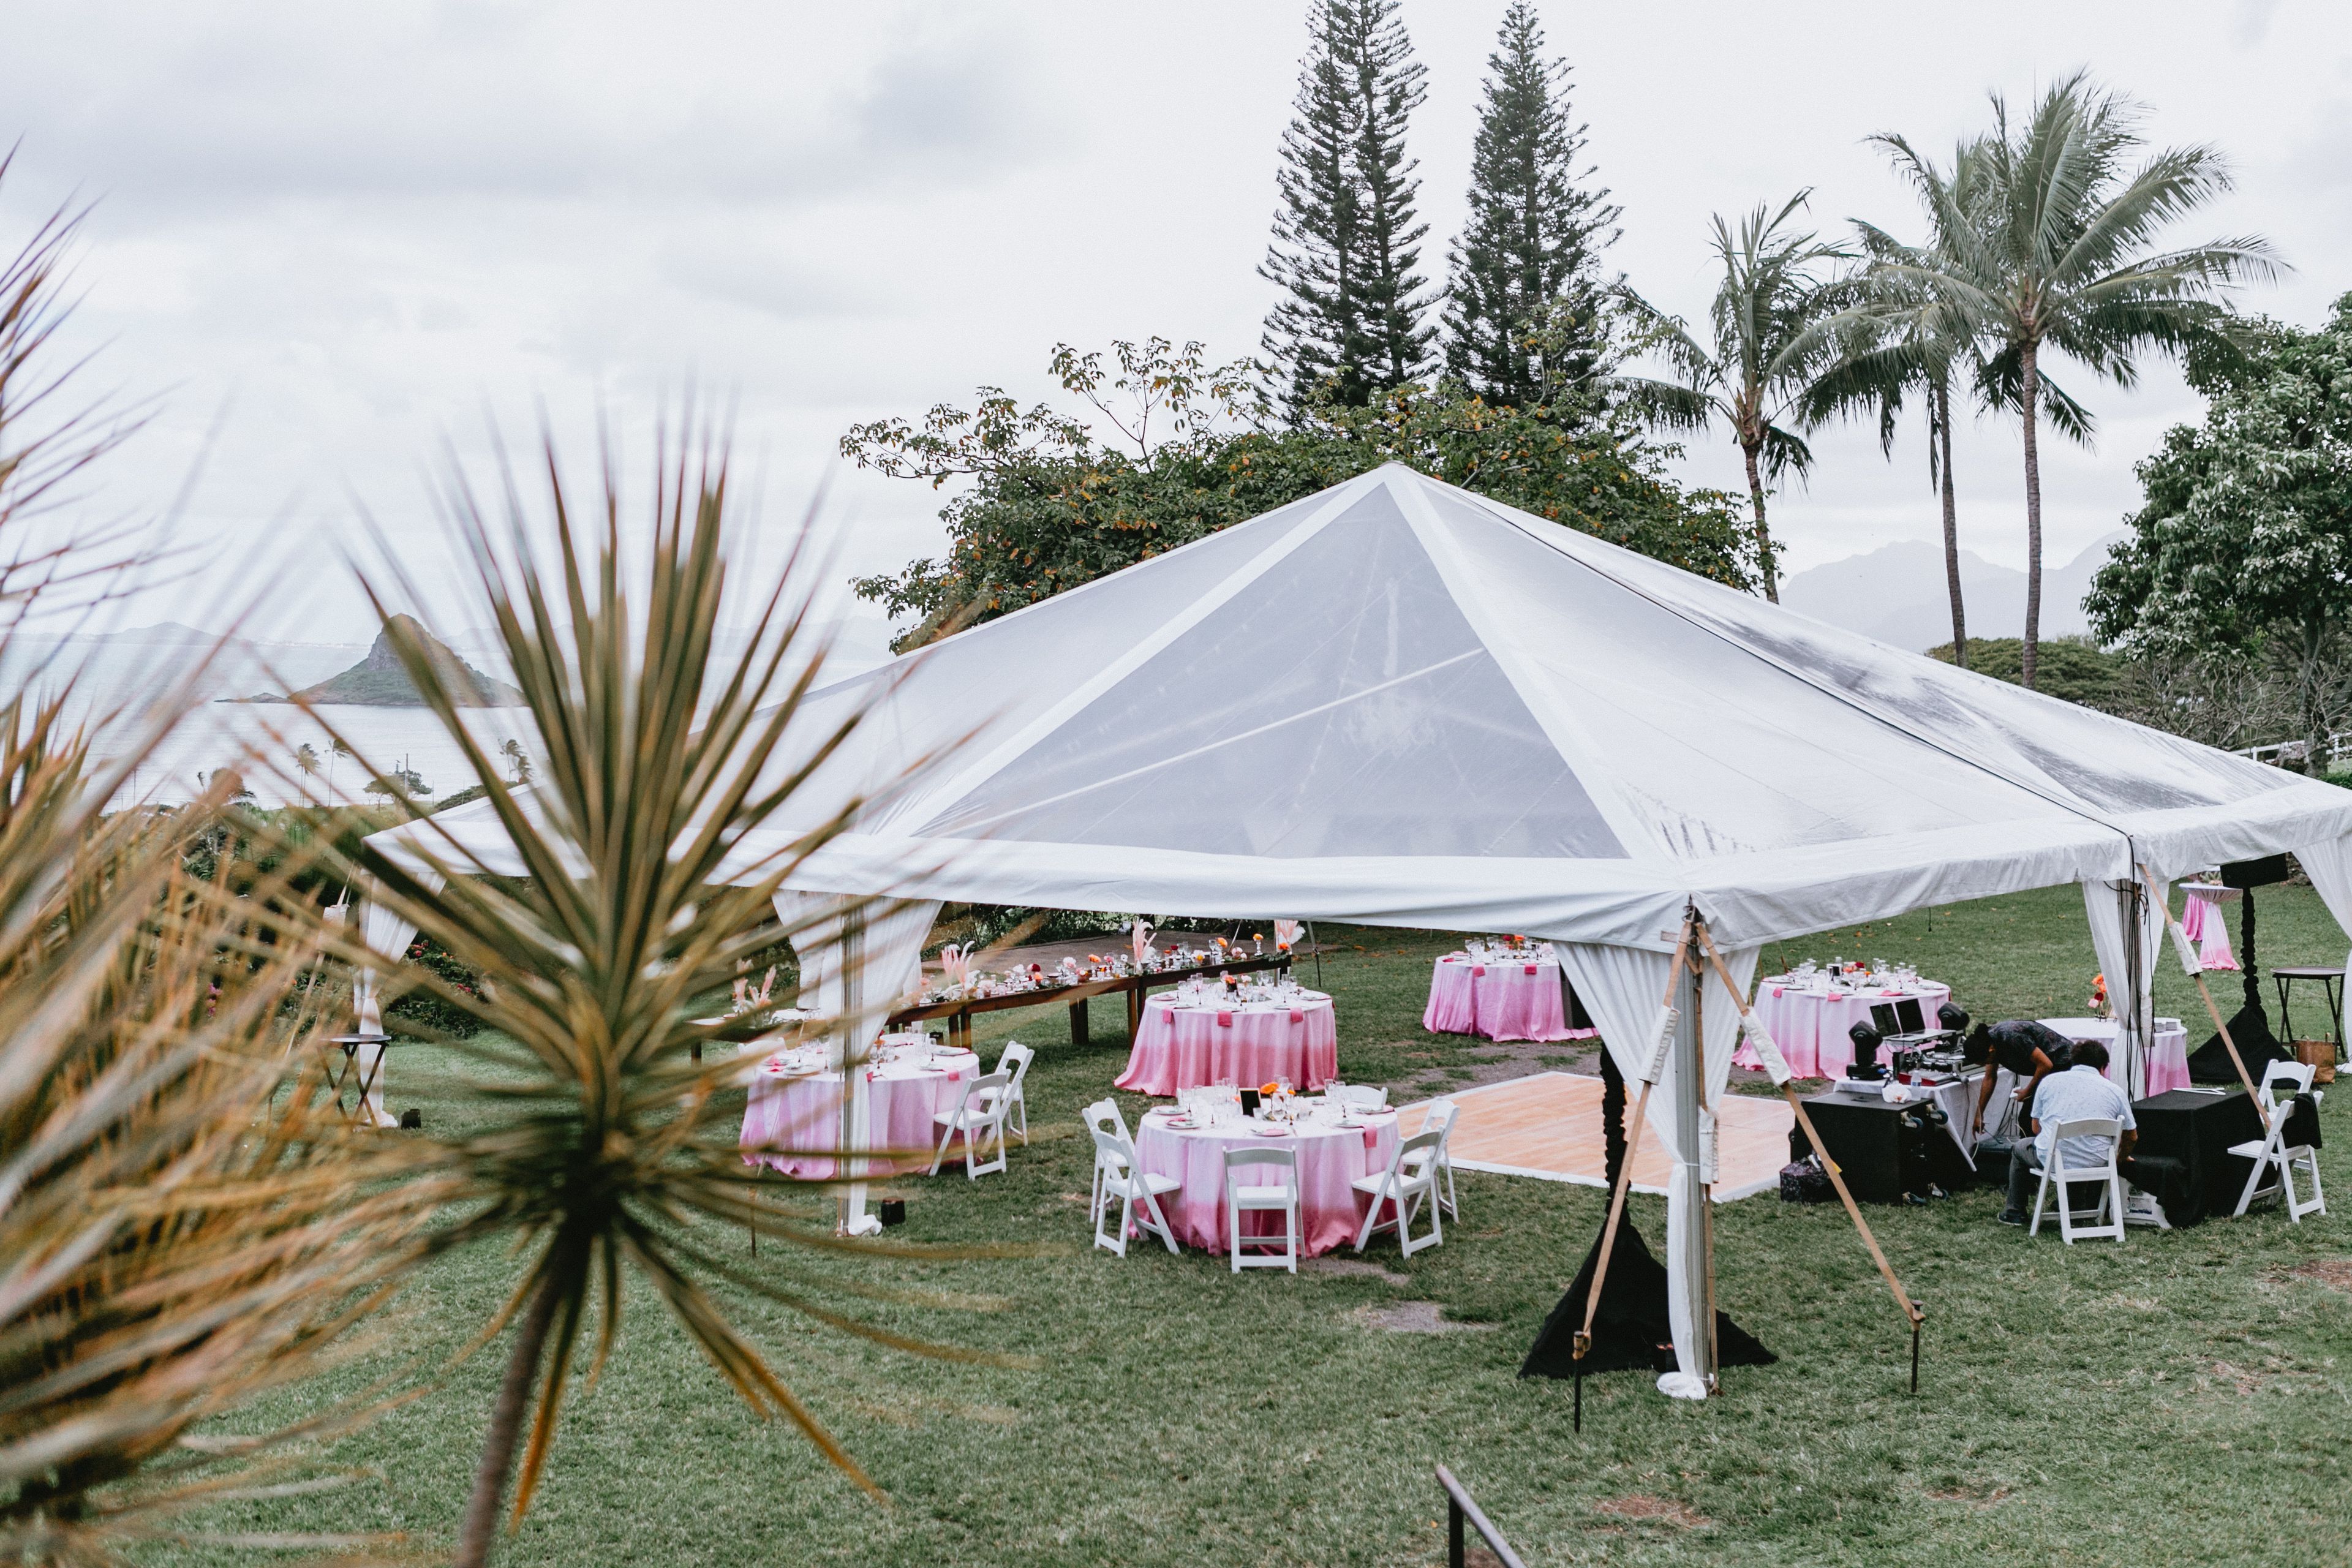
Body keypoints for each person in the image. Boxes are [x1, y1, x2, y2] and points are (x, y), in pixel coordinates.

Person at [1997, 1039, 2135, 1226]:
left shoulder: (2049, 1082)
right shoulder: (2115, 1091)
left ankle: (2015, 1211)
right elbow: (2132, 1136)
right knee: (2081, 1151)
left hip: (2054, 1159)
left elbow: (2036, 1128)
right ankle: (2074, 1204)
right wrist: (2121, 1157)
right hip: (2097, 1161)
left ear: (2073, 1061)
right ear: (2103, 1068)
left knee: (2021, 1148)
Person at [1967, 1018, 2076, 1139]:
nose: (1985, 1065)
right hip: (2049, 1068)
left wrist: (2027, 1092)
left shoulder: (2011, 1037)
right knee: (2029, 1118)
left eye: (1985, 1062)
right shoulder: (1990, 1043)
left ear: (1991, 1050)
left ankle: (2032, 1153)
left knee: (2029, 1118)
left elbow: (2046, 1065)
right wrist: (1979, 1114)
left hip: (2063, 1062)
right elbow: (1990, 1078)